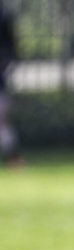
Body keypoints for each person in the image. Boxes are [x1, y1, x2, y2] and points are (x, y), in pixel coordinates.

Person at [0, 1, 22, 166]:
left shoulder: (3, 16)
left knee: (2, 116)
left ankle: (13, 158)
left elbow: (13, 48)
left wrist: (7, 66)